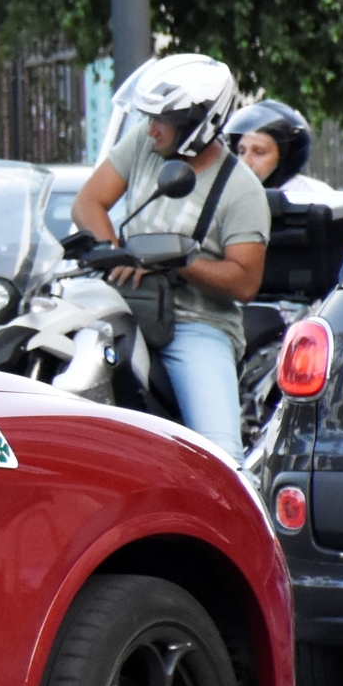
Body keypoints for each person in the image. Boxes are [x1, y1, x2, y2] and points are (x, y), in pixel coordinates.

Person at [70, 53, 270, 456]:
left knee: (222, 454)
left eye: (162, 120)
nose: (151, 129)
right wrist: (117, 254)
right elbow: (88, 202)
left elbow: (246, 283)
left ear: (198, 125)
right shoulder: (145, 145)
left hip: (194, 324)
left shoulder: (242, 191)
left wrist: (182, 261)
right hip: (122, 304)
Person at [224, 99, 338, 203]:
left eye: (259, 152)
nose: (245, 162)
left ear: (285, 159)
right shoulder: (232, 197)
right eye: (242, 152)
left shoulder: (312, 196)